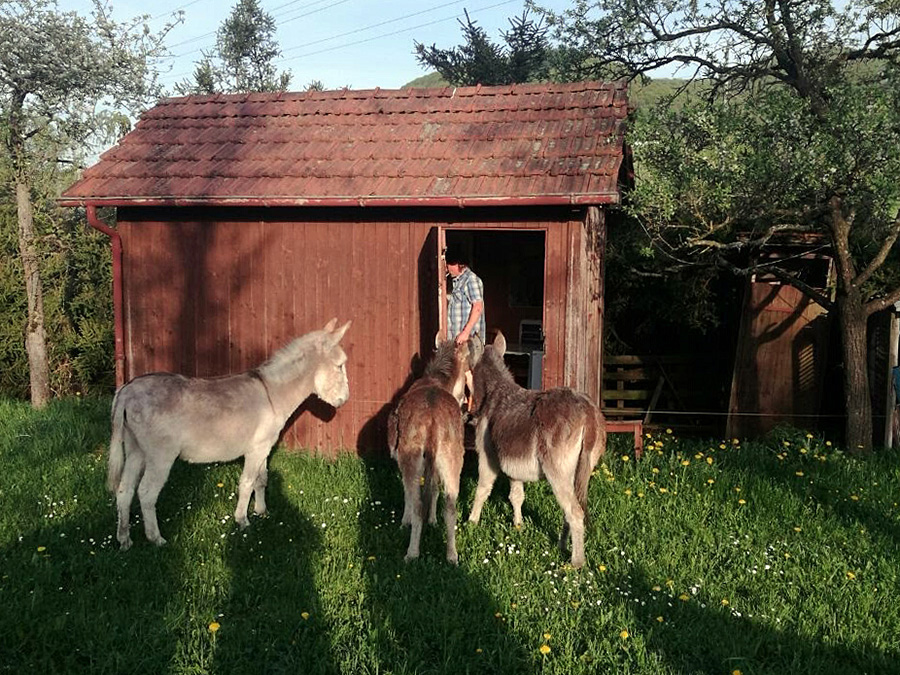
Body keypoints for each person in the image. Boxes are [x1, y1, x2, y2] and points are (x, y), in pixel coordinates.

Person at [445, 245, 485, 409]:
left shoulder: (471, 280)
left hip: (467, 339)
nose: (446, 268)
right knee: (463, 372)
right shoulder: (456, 282)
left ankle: (481, 405)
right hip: (458, 338)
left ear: (457, 264)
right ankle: (474, 405)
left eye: (448, 264)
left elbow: (477, 307)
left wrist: (465, 332)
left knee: (468, 372)